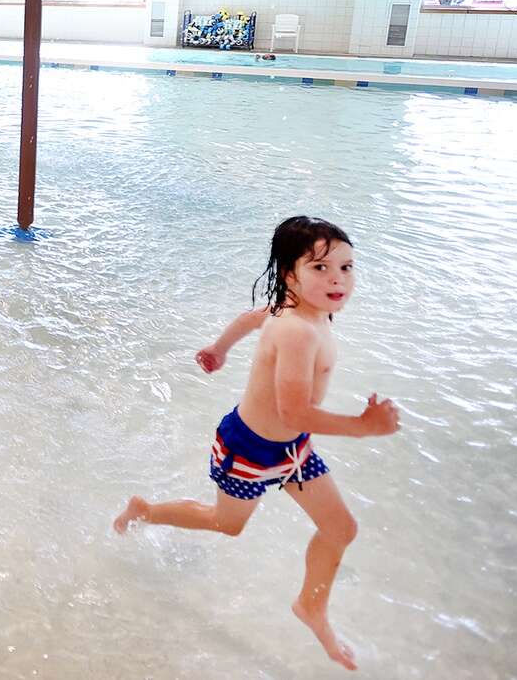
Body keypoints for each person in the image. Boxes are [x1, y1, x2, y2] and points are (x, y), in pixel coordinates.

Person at [113, 216, 400, 671]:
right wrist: (363, 426)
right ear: (290, 275)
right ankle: (144, 510)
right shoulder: (297, 330)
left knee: (341, 529)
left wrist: (220, 347)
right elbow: (294, 411)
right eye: (320, 268)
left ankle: (312, 607)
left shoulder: (302, 309)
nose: (337, 279)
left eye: (346, 267)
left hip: (291, 450)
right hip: (248, 452)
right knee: (227, 525)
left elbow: (252, 317)